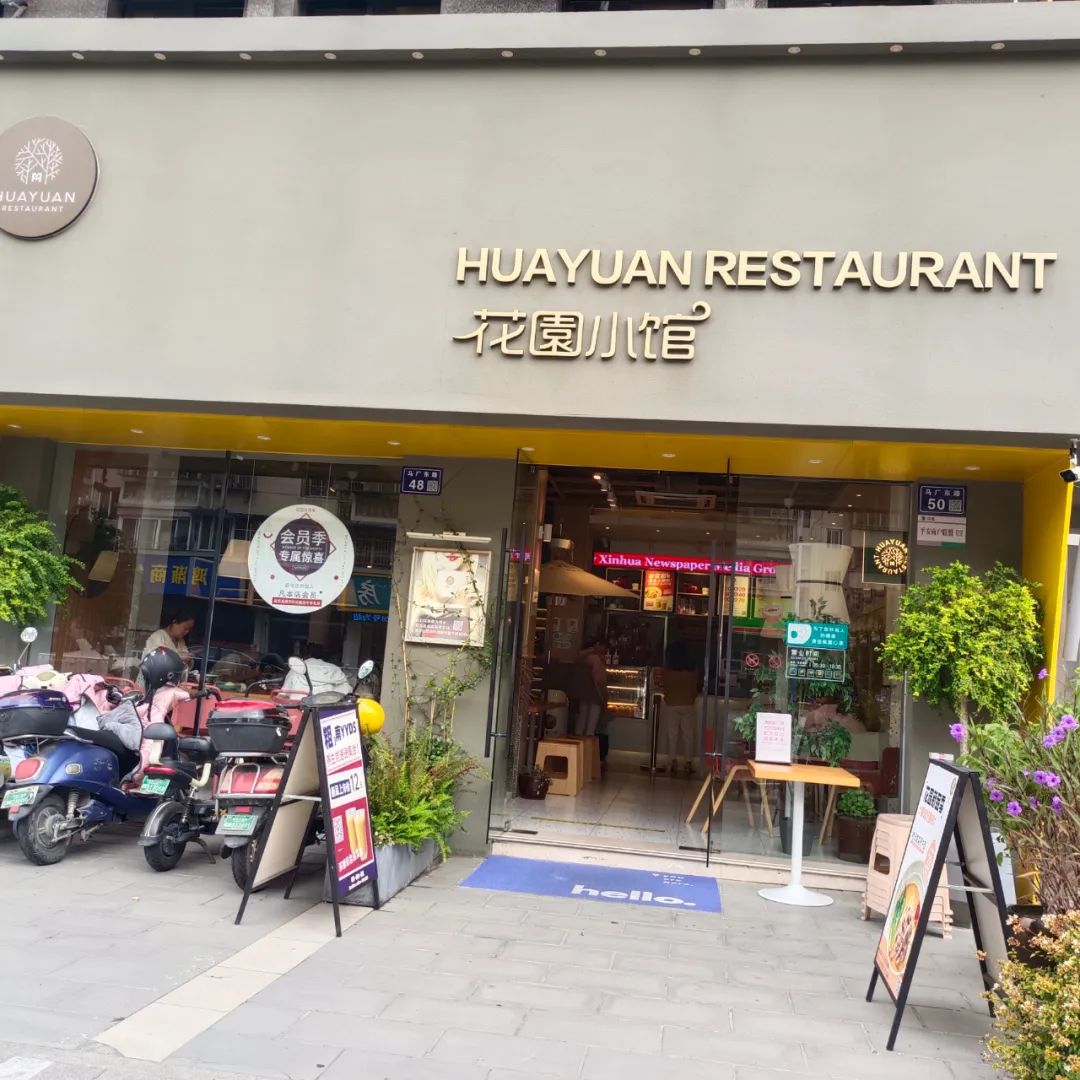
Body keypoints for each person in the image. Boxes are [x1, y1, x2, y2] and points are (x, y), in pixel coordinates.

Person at [662, 639, 701, 778]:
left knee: (672, 734)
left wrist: (668, 698)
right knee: (688, 734)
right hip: (688, 704)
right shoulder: (692, 671)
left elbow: (665, 688)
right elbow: (695, 689)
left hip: (672, 703)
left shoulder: (668, 671)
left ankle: (673, 761)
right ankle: (688, 763)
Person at [574, 638, 608, 737]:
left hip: (583, 692)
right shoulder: (595, 658)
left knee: (582, 718)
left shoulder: (583, 657)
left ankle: (578, 739)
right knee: (591, 724)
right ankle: (588, 742)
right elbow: (598, 678)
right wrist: (603, 695)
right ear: (598, 644)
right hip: (594, 692)